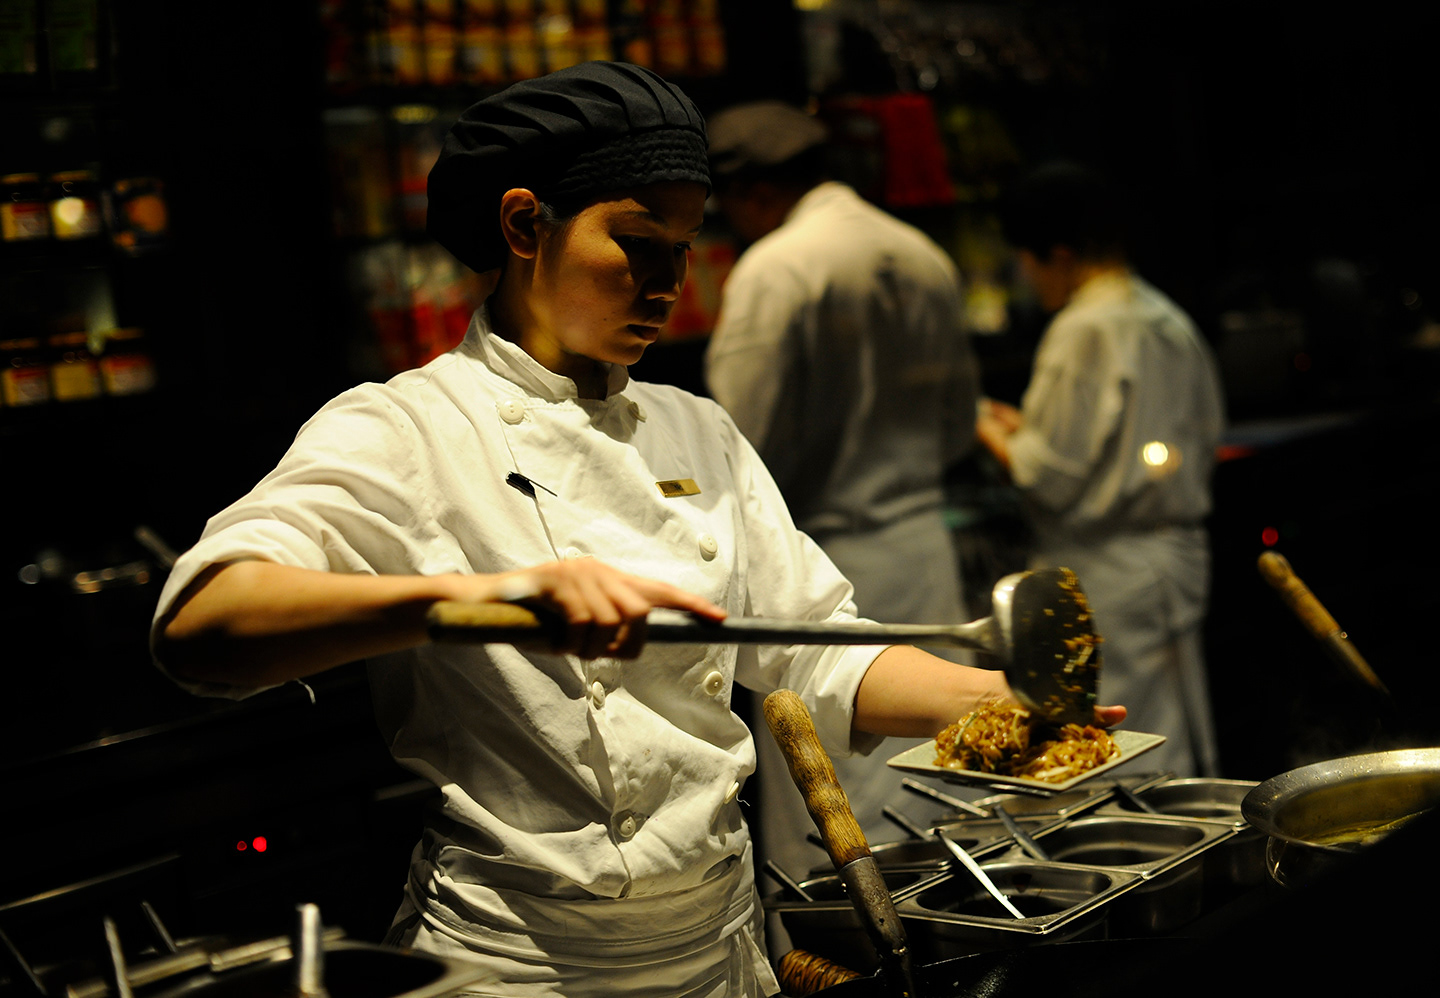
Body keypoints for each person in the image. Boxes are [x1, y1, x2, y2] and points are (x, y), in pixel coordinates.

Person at [150, 65, 1124, 998]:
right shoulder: (407, 425)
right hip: (520, 962)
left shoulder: (697, 426)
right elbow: (201, 625)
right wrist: (482, 599)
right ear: (525, 222)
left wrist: (996, 696)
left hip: (719, 941)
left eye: (686, 247)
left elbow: (817, 657)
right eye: (637, 242)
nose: (668, 281)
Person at [700, 101, 982, 886]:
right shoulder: (920, 250)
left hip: (821, 561)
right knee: (943, 799)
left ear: (754, 193)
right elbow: (958, 424)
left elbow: (737, 451)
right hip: (926, 546)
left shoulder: (778, 266)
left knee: (840, 831)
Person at [975, 161, 1223, 778]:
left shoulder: (1085, 325)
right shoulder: (1163, 314)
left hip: (1112, 567)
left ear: (1058, 254)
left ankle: (1156, 868)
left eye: (1027, 262)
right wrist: (1024, 429)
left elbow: (1047, 473)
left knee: (1128, 740)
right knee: (1177, 727)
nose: (1027, 279)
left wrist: (981, 423)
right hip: (1173, 552)